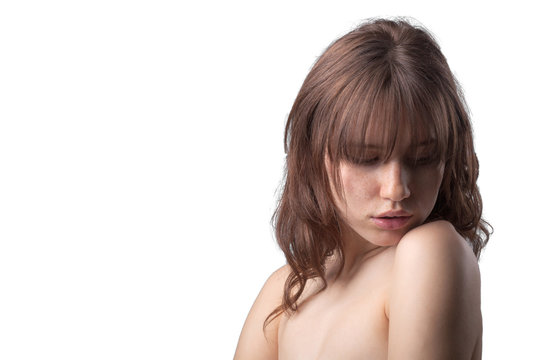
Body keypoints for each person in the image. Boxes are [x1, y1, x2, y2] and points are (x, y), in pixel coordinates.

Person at [234, 17, 491, 359]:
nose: (396, 189)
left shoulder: (428, 252)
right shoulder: (285, 291)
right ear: (314, 154)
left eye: (424, 157)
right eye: (365, 158)